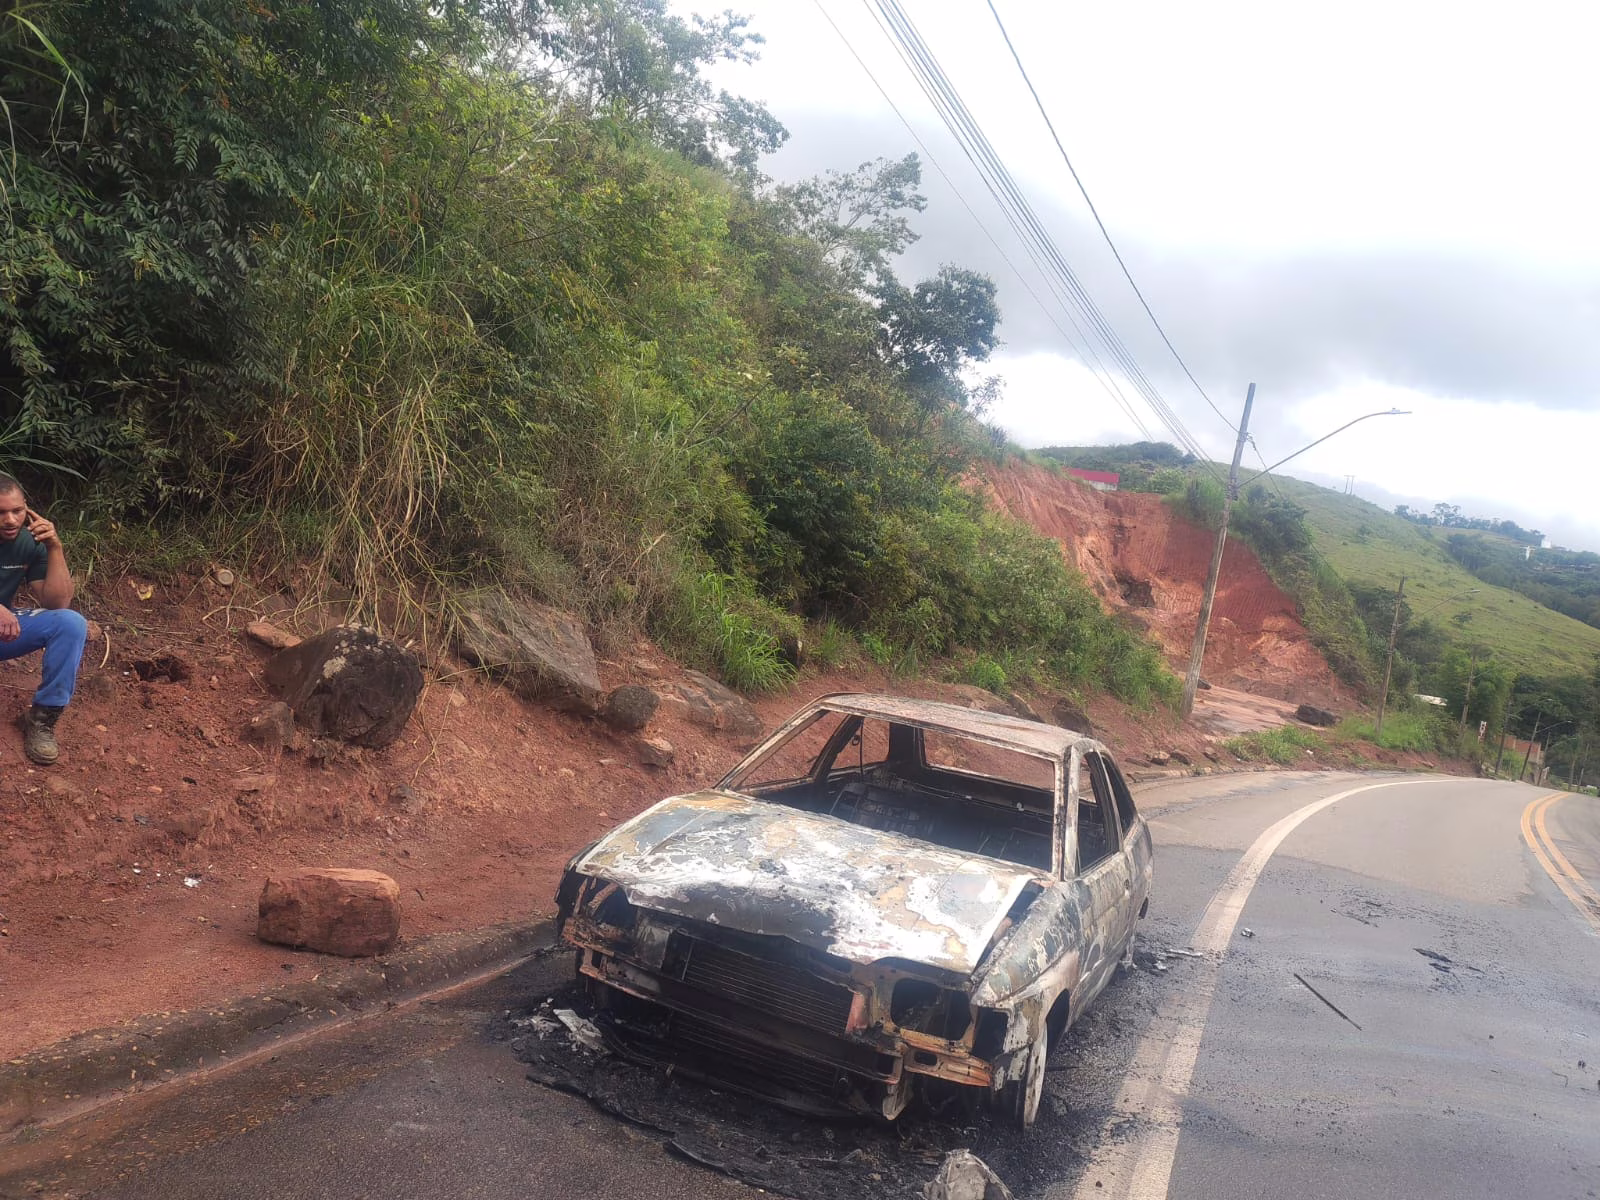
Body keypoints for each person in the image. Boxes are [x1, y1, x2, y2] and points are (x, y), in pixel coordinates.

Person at [0, 473, 87, 765]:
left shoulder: (29, 543)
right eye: (1, 512)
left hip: (4, 629)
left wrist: (54, 547)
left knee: (70, 622)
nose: (10, 520)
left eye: (17, 510)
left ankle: (41, 720)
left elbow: (57, 602)